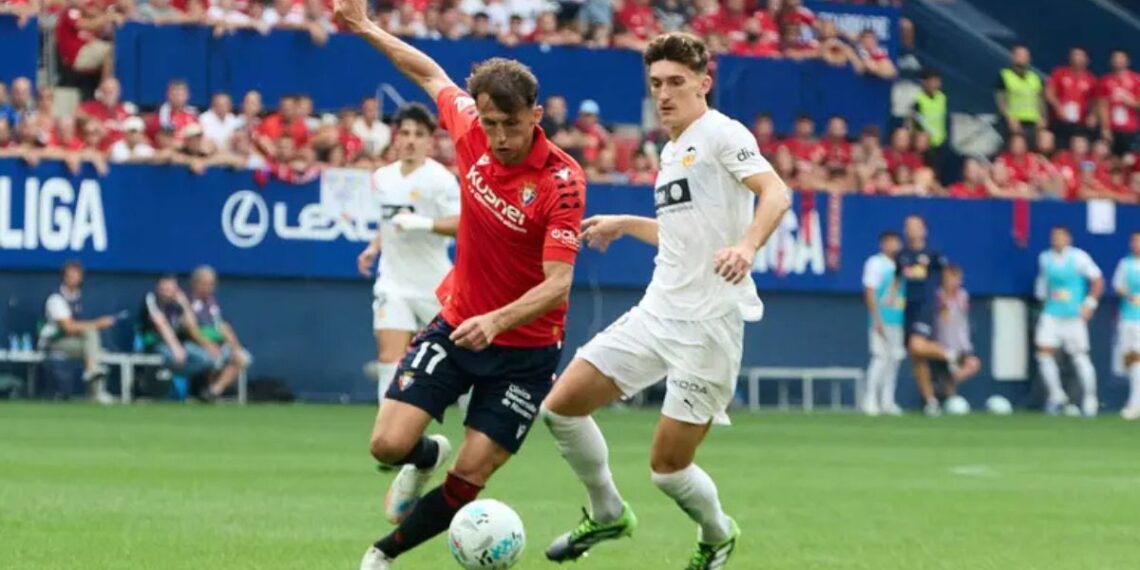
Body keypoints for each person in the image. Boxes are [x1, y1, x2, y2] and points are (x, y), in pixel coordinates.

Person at [335, 1, 588, 567]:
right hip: (456, 324)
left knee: (471, 473)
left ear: (537, 114)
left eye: (512, 125)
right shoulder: (469, 127)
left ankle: (380, 555)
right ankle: (423, 456)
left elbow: (559, 284)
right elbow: (428, 73)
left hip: (525, 351)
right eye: (490, 123)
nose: (498, 137)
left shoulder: (562, 181)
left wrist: (497, 321)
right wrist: (366, 26)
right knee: (386, 446)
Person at [540, 33, 791, 569]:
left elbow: (777, 193)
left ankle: (717, 533)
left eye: (677, 82)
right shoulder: (673, 149)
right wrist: (627, 224)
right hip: (658, 313)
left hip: (709, 328)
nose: (665, 94)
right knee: (560, 409)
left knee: (668, 469)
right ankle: (606, 512)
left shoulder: (723, 133)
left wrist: (747, 246)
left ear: (705, 83)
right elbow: (685, 234)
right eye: (656, 84)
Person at [356, 103, 461, 401]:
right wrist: (373, 247)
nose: (411, 139)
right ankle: (391, 440)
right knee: (390, 358)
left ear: (429, 140)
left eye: (419, 133)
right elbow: (388, 221)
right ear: (396, 137)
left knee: (463, 358)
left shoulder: (440, 179)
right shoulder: (383, 178)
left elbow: (463, 225)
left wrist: (424, 224)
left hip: (434, 284)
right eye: (405, 133)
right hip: (394, 283)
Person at [1035, 226, 1103, 416]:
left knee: (1080, 357)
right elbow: (1043, 286)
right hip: (1051, 314)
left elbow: (1097, 280)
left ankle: (1091, 399)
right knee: (1044, 354)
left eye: (1061, 236)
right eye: (1054, 236)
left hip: (1073, 316)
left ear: (1068, 239)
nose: (1057, 239)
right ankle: (1056, 395)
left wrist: (1089, 304)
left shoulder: (1079, 257)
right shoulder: (1045, 258)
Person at [896, 215, 956, 416]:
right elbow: (897, 282)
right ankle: (930, 401)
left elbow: (947, 274)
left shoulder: (933, 254)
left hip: (926, 305)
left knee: (916, 344)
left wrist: (947, 300)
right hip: (907, 308)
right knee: (916, 356)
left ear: (924, 230)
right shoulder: (902, 256)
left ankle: (952, 355)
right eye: (908, 226)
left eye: (915, 226)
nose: (911, 230)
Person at [38, 260, 116, 404]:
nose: (73, 279)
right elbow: (68, 327)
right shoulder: (55, 299)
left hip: (74, 343)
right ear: (63, 277)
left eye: (76, 276)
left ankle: (94, 384)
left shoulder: (79, 297)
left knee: (95, 348)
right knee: (92, 336)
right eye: (70, 276)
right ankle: (95, 388)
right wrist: (98, 323)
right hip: (54, 343)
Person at [138, 275, 217, 387]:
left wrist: (185, 305)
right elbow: (161, 324)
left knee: (208, 360)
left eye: (170, 289)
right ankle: (166, 375)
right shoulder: (151, 298)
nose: (167, 292)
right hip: (155, 344)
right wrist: (175, 347)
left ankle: (172, 374)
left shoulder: (177, 303)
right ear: (157, 288)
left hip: (180, 344)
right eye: (164, 288)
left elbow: (191, 325)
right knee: (172, 358)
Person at [188, 266, 252, 401]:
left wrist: (235, 347)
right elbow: (191, 329)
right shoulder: (187, 302)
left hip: (217, 345)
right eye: (204, 283)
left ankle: (213, 391)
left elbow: (223, 327)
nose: (208, 287)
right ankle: (200, 389)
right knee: (212, 358)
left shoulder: (212, 303)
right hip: (194, 345)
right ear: (194, 283)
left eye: (211, 284)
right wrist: (209, 346)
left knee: (242, 357)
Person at [861, 231, 905, 416]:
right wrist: (876, 318)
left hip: (897, 319)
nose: (895, 246)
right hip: (881, 319)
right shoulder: (875, 263)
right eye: (891, 242)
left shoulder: (901, 265)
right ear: (883, 244)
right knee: (879, 358)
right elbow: (870, 291)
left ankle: (888, 400)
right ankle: (870, 399)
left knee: (894, 359)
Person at [932, 264, 982, 399]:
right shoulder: (938, 295)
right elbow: (944, 318)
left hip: (961, 346)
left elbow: (960, 314)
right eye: (949, 278)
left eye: (957, 278)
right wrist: (944, 303)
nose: (953, 282)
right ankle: (945, 392)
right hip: (942, 346)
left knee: (973, 364)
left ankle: (948, 381)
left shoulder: (962, 295)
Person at [1113, 232, 1140, 420]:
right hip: (1128, 318)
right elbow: (1118, 286)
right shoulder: (1125, 264)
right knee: (1130, 360)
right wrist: (1128, 294)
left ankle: (1134, 403)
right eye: (1135, 241)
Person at [995, 45, 1047, 141]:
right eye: (1019, 55)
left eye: (1025, 56)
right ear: (1012, 57)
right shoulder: (1004, 75)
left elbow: (1041, 99)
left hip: (1033, 123)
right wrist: (1009, 118)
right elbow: (1000, 100)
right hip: (1013, 122)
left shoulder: (1035, 77)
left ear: (1029, 59)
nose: (1022, 58)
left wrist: (1043, 117)